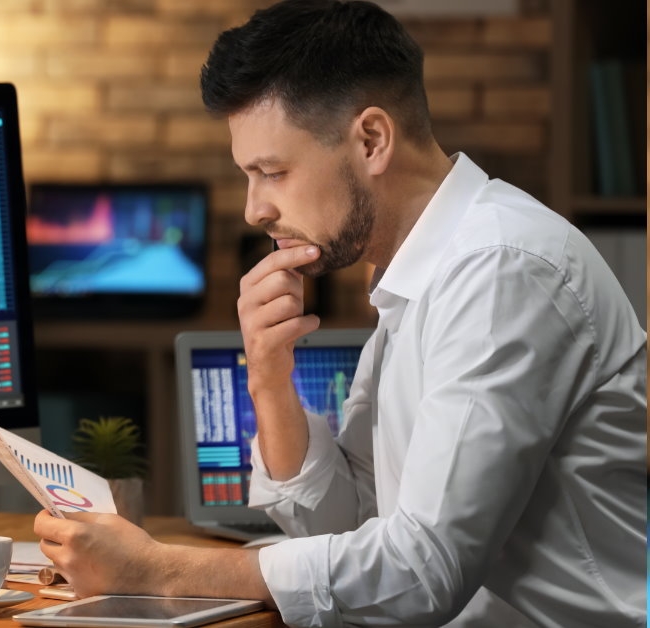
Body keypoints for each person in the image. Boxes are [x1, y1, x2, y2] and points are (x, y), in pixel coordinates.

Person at [33, 1, 648, 625]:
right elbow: (350, 526)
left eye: (272, 172)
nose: (255, 210)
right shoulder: (416, 272)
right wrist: (268, 380)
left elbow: (422, 571)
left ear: (372, 139)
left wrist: (162, 573)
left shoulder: (501, 270)